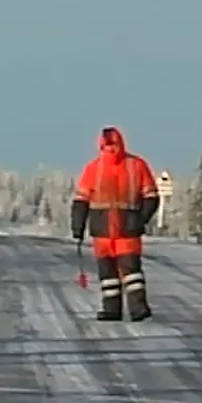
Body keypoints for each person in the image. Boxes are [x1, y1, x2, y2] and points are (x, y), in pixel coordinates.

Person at [70, 126, 160, 321]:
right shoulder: (137, 165)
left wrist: (78, 227)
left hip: (103, 229)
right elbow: (152, 197)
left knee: (109, 273)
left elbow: (81, 201)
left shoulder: (93, 168)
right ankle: (138, 309)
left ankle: (112, 309)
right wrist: (140, 219)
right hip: (127, 229)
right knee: (130, 272)